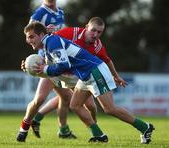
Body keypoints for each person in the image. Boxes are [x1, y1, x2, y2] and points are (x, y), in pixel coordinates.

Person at [23, 21, 155, 143]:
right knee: (75, 105)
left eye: (31, 36)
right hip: (86, 75)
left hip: (94, 71)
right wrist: (31, 69)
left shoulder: (52, 42)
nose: (28, 40)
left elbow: (63, 66)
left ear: (41, 35)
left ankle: (145, 127)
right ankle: (99, 136)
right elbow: (51, 67)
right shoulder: (48, 44)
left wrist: (44, 69)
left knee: (109, 109)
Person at [31, 17, 128, 138]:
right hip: (56, 68)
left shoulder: (97, 45)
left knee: (82, 104)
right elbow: (48, 41)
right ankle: (40, 124)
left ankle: (88, 131)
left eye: (99, 32)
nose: (95, 35)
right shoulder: (71, 33)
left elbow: (107, 60)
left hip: (74, 73)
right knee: (47, 99)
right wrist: (38, 61)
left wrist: (116, 76)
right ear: (86, 27)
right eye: (93, 30)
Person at [16, 0, 97, 142]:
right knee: (40, 99)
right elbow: (31, 35)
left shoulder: (60, 12)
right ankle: (24, 129)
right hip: (47, 62)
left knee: (71, 100)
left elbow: (60, 36)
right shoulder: (39, 14)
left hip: (62, 61)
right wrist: (32, 61)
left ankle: (64, 130)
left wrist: (56, 34)